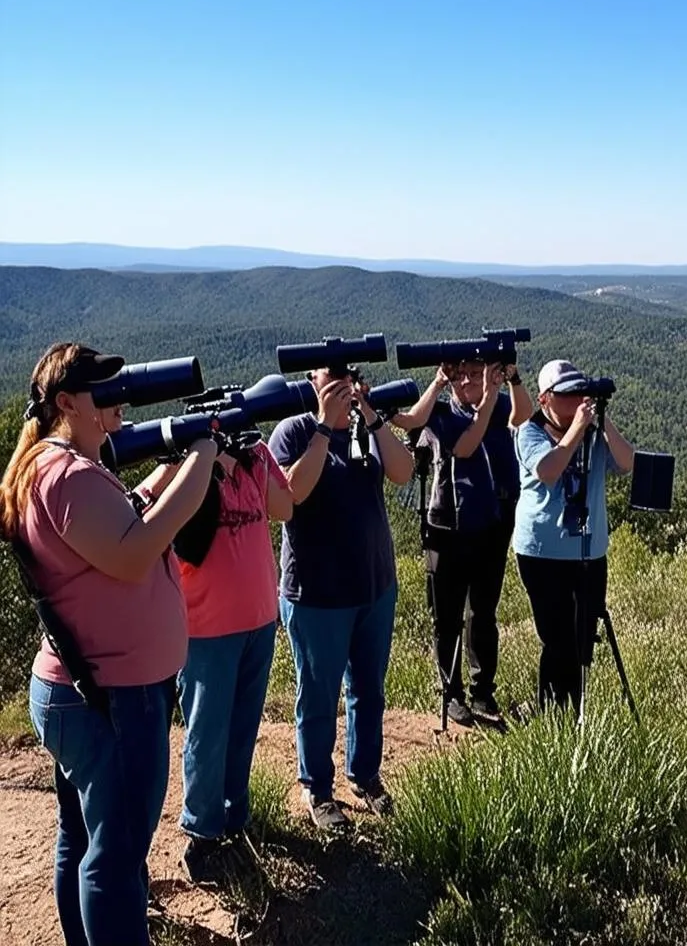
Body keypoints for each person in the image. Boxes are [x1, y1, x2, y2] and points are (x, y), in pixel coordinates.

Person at [0, 343, 216, 946]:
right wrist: (201, 458)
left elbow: (119, 520)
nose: (118, 398)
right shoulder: (65, 474)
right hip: (110, 697)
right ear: (66, 403)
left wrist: (167, 471)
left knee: (84, 837)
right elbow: (132, 550)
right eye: (103, 389)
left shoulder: (55, 467)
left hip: (86, 690)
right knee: (118, 857)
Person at [137, 437, 293, 881]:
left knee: (243, 730)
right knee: (207, 737)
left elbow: (286, 508)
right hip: (205, 629)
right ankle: (202, 837)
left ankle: (234, 818)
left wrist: (256, 454)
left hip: (260, 618)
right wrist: (199, 461)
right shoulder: (191, 462)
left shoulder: (256, 456)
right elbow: (144, 511)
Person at [269, 366, 414, 830]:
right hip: (316, 593)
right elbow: (291, 494)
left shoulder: (364, 426)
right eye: (329, 376)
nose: (340, 385)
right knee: (318, 694)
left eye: (347, 375)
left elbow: (403, 471)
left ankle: (366, 774)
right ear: (311, 380)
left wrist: (370, 415)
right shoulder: (292, 431)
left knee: (369, 688)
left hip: (374, 584)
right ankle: (318, 787)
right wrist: (323, 426)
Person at [392, 360, 532, 725]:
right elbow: (462, 444)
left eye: (476, 371)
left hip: (492, 522)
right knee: (448, 616)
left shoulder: (498, 403)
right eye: (461, 374)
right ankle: (451, 692)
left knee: (483, 612)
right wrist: (445, 385)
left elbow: (524, 414)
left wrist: (512, 380)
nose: (469, 380)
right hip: (448, 526)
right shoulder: (440, 414)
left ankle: (482, 690)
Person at [512, 359, 635, 713]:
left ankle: (575, 709)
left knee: (583, 640)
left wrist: (602, 419)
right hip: (541, 553)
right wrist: (579, 427)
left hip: (589, 552)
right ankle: (552, 713)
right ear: (544, 399)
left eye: (581, 393)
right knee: (556, 638)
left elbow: (627, 463)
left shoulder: (594, 433)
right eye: (567, 396)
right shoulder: (529, 431)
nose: (577, 401)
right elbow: (549, 470)